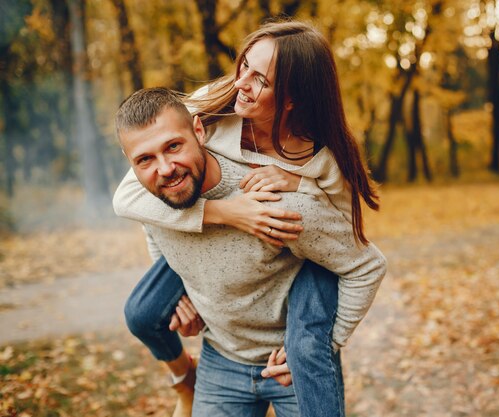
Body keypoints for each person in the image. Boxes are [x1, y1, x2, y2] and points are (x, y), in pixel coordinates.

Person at [114, 21, 385, 417]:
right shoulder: (212, 107)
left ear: (293, 98)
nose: (242, 82)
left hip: (302, 257)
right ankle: (182, 377)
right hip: (221, 354)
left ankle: (305, 357)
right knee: (142, 311)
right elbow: (136, 200)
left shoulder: (318, 160)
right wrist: (221, 219)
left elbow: (348, 238)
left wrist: (298, 183)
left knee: (308, 342)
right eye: (243, 66)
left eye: (260, 80)